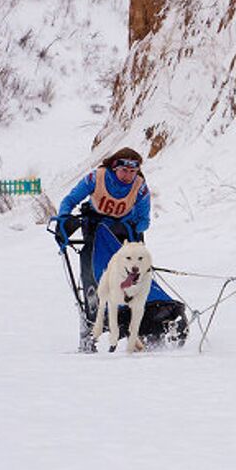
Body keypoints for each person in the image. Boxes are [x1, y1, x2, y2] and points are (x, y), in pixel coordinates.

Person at [55, 147, 152, 351]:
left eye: (133, 172)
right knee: (93, 271)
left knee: (137, 276)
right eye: (124, 170)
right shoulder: (96, 178)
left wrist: (133, 224)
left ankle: (139, 323)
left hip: (123, 236)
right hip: (95, 231)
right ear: (114, 167)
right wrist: (64, 218)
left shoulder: (140, 187)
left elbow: (144, 219)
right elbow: (70, 200)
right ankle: (93, 316)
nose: (128, 176)